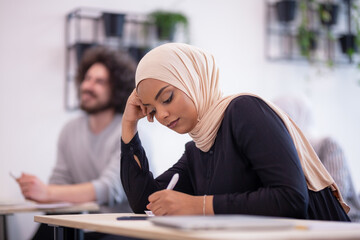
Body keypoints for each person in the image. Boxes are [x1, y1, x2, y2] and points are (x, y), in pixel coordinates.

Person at [120, 42, 350, 221]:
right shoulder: (198, 149)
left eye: (167, 98)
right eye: (151, 110)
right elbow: (145, 204)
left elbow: (291, 198)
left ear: (194, 81)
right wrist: (129, 125)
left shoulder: (244, 110)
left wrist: (197, 206)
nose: (161, 115)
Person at [16, 46, 137, 239]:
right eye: (87, 79)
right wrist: (42, 191)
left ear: (117, 90)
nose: (88, 86)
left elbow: (110, 189)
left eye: (99, 81)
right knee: (50, 223)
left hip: (119, 228)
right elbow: (60, 181)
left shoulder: (130, 132)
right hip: (83, 223)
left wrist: (47, 192)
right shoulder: (70, 130)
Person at [272, 94, 360, 222]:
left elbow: (338, 192)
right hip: (310, 220)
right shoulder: (282, 151)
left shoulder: (326, 144)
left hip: (344, 221)